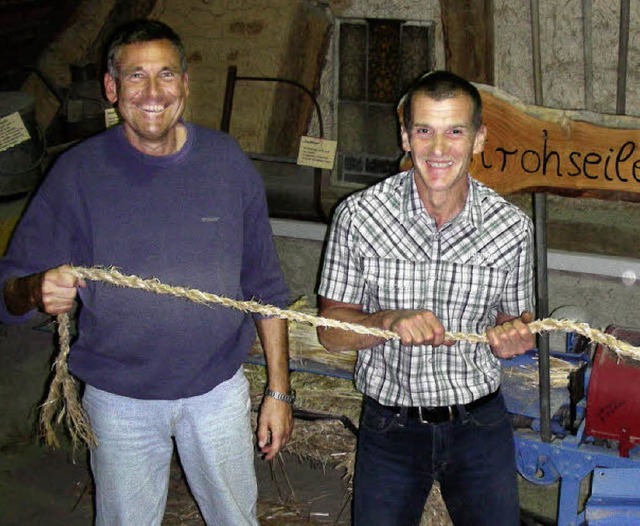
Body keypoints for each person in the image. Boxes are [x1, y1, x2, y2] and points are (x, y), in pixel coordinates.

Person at [0, 19, 294, 526]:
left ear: (184, 83)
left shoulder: (227, 163)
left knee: (235, 519)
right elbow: (8, 296)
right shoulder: (77, 174)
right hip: (119, 404)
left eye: (166, 75)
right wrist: (36, 288)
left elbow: (265, 288)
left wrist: (279, 392)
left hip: (217, 394)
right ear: (112, 89)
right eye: (136, 76)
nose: (153, 92)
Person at [317, 70, 535, 526]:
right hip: (390, 425)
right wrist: (386, 321)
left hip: (479, 423)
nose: (438, 150)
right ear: (405, 136)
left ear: (478, 139)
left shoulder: (511, 227)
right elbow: (330, 332)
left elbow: (518, 320)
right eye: (424, 131)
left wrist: (516, 337)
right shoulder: (358, 216)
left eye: (455, 131)